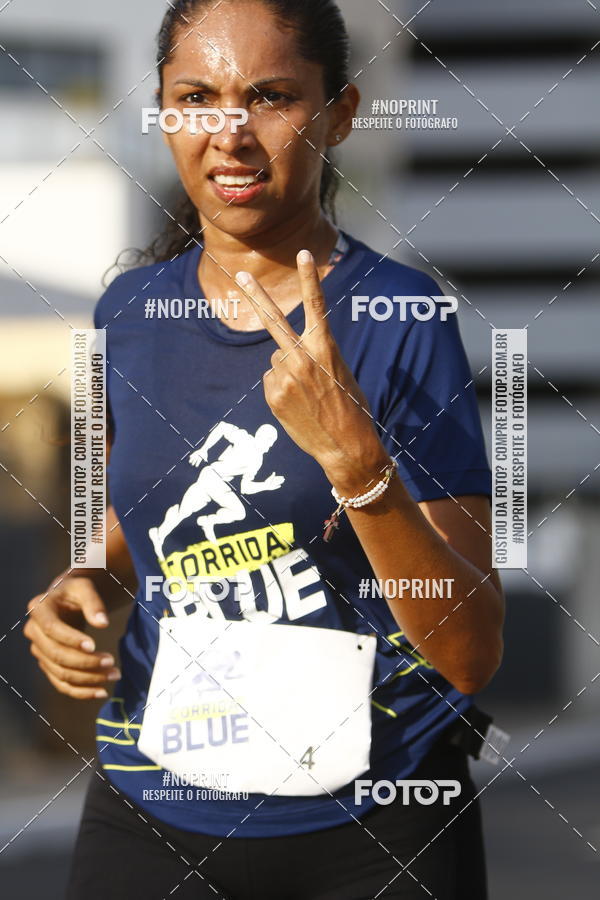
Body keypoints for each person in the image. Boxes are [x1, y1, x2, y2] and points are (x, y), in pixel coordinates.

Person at [23, 1, 504, 897]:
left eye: (273, 97)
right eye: (197, 96)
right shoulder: (125, 315)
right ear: (164, 112)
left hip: (373, 821)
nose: (230, 134)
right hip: (151, 808)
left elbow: (472, 650)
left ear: (341, 114)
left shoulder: (403, 318)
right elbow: (133, 525)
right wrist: (82, 585)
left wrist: (358, 469)